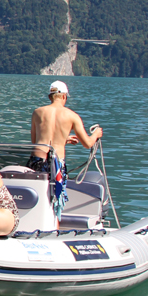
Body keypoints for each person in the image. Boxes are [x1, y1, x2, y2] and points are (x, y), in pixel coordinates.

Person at [28, 81, 103, 215]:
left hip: (37, 160)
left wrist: (64, 139)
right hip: (56, 164)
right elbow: (87, 143)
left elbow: (36, 141)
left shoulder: (37, 112)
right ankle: (54, 228)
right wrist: (96, 134)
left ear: (50, 97)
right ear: (64, 96)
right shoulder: (72, 116)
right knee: (56, 200)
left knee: (37, 195)